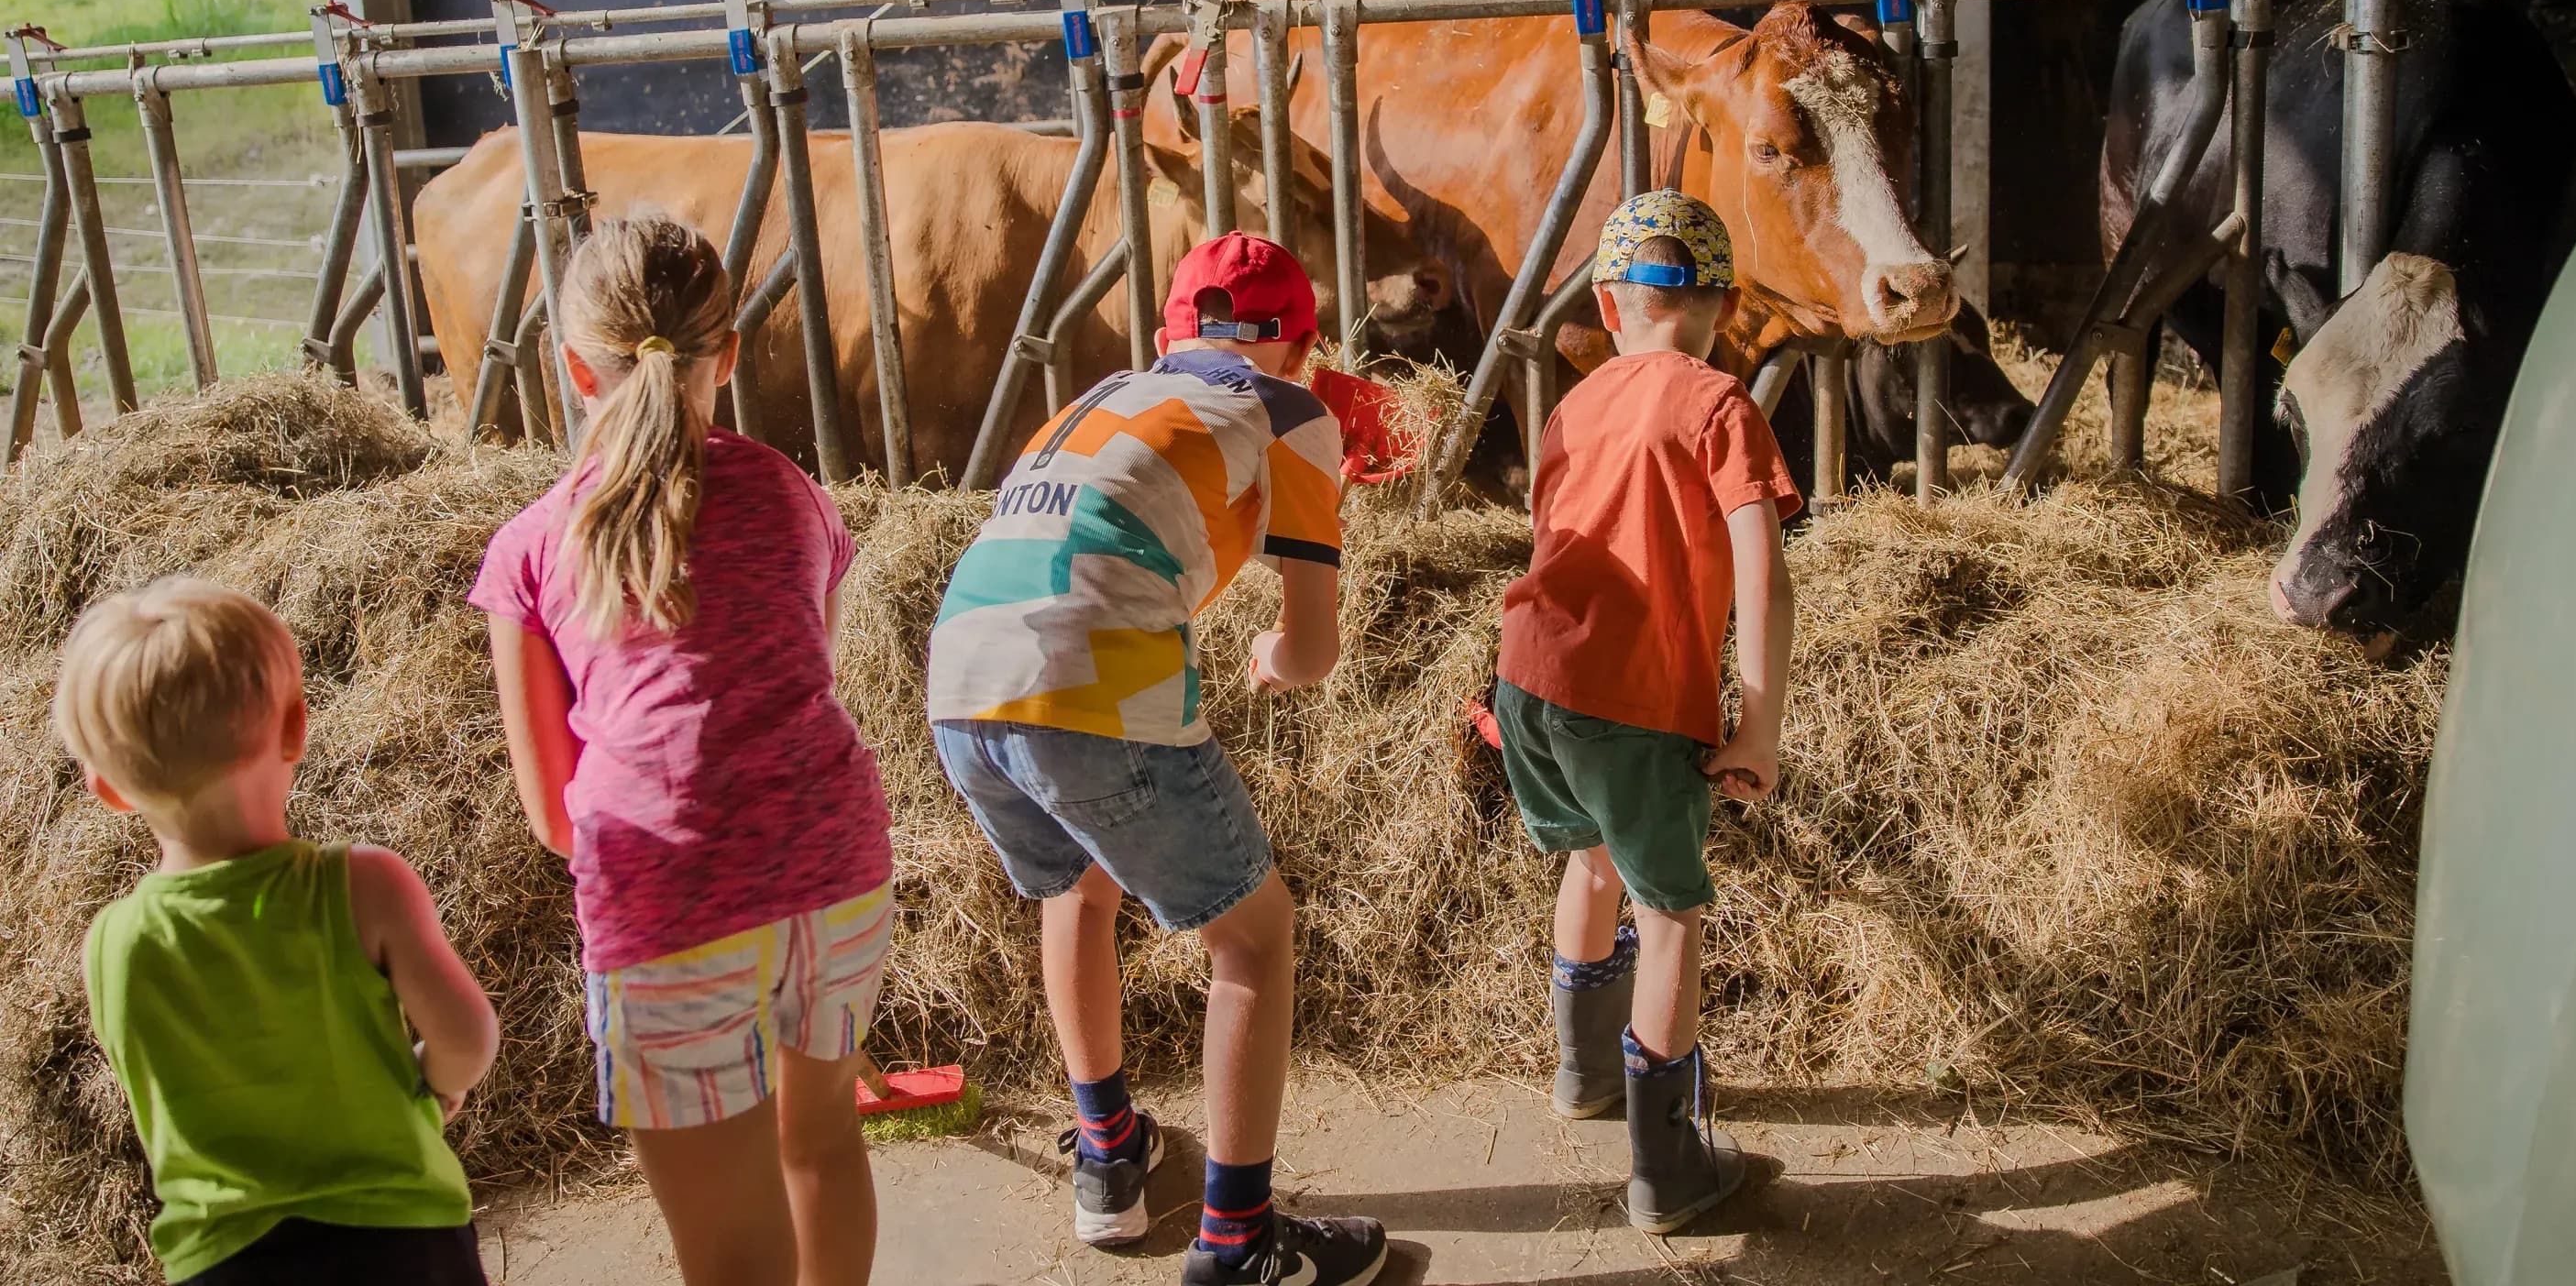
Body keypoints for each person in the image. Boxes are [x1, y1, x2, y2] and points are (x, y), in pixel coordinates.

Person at [928, 232, 1391, 1286]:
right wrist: (1275, 656)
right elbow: (1312, 650)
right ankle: (1238, 1241)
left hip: (961, 676)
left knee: (1077, 889)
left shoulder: (1102, 394)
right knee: (1257, 936)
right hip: (1095, 684)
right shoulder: (1294, 410)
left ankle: (1108, 1155)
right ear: (1305, 344)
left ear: (1165, 336)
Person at [470, 214, 895, 1286]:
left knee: (733, 1253)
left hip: (666, 885)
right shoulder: (797, 492)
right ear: (733, 350)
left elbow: (553, 816)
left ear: (573, 369)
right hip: (834, 859)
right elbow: (802, 672)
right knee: (826, 1144)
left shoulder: (535, 542)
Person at [1493, 190, 1800, 1235]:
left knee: (1590, 859)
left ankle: (1581, 1074)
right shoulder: (1720, 404)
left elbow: (1546, 533)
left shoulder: (1574, 404)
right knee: (1670, 912)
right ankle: (1666, 1168)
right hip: (1636, 696)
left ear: (1611, 306)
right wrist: (1756, 720)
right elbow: (1763, 576)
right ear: (1719, 305)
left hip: (1530, 678)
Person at [58, 577, 498, 1285]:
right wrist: (432, 1087)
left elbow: (156, 1105)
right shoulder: (366, 886)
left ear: (109, 790)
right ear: (296, 726)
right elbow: (468, 1037)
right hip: (397, 1237)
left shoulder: (113, 944)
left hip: (223, 1258)